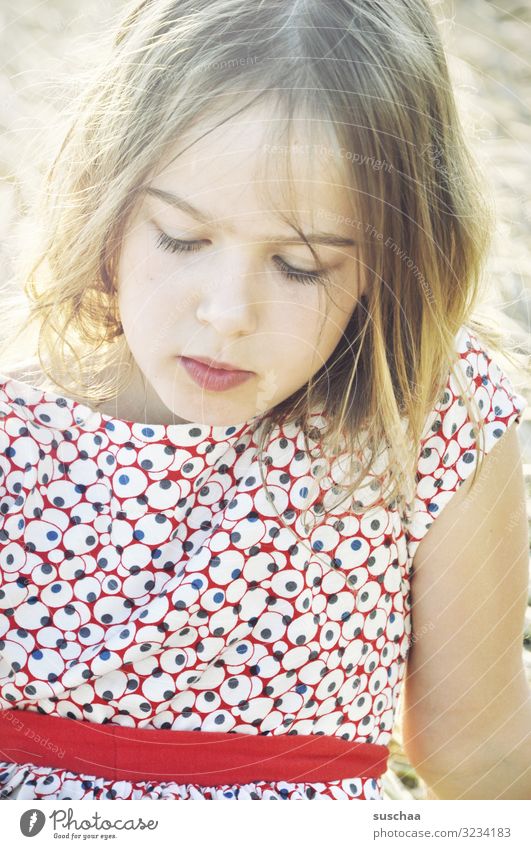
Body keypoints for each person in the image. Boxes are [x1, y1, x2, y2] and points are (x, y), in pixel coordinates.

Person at [0, 0, 529, 801]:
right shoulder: (17, 432)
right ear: (106, 204)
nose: (226, 313)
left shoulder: (425, 421)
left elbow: (480, 750)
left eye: (301, 266)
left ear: (394, 264)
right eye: (181, 239)